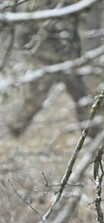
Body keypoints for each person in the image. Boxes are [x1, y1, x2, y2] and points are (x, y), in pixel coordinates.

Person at [7, 0, 91, 137]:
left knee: (81, 96)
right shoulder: (37, 3)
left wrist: (75, 43)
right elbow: (30, 21)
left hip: (68, 56)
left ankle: (92, 132)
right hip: (44, 56)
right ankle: (14, 130)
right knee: (34, 101)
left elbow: (81, 19)